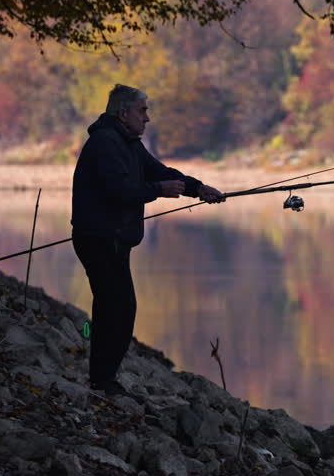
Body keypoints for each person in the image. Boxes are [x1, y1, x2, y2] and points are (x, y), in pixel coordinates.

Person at [71, 84, 225, 396]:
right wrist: (159, 190)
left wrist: (198, 188)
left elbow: (159, 171)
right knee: (118, 307)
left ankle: (102, 378)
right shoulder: (104, 142)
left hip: (115, 240)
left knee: (116, 307)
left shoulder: (128, 143)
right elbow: (120, 190)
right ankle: (102, 380)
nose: (147, 118)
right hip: (99, 239)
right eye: (142, 111)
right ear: (123, 112)